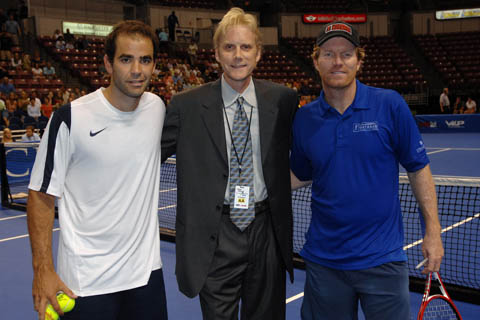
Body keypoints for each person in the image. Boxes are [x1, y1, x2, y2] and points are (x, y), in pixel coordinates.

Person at [290, 21, 444, 320]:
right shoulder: (304, 119)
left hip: (383, 261)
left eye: (346, 54)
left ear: (359, 61)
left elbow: (418, 167)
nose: (337, 61)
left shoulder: (389, 105)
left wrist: (433, 232)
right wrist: (248, 187)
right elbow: (301, 174)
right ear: (315, 60)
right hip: (325, 263)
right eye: (328, 54)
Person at [161, 7, 298, 319]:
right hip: (214, 235)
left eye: (246, 47)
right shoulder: (186, 106)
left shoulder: (283, 100)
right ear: (217, 54)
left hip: (266, 232)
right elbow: (146, 157)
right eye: (229, 47)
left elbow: (308, 153)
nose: (238, 55)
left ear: (259, 53)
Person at [26, 20, 168, 320]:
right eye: (126, 59)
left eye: (145, 60)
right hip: (85, 282)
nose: (137, 70)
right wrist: (44, 271)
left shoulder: (157, 107)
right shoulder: (71, 118)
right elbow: (40, 196)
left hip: (145, 276)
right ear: (107, 63)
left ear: (155, 64)